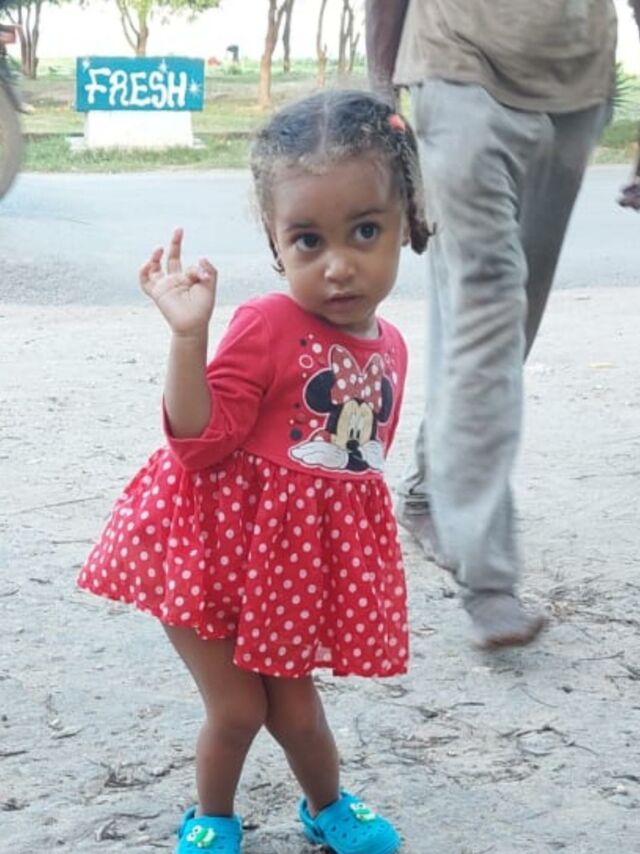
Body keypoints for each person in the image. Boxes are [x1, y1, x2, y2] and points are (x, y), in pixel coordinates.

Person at [77, 89, 429, 854]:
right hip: (207, 557)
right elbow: (198, 444)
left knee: (297, 714)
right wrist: (188, 339)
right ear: (276, 244)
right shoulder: (267, 324)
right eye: (308, 240)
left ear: (407, 220)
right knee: (238, 710)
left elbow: (350, 477)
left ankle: (326, 807)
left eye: (366, 230)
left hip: (285, 577)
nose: (339, 265)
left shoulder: (393, 348)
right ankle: (213, 817)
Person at [366, 0, 619, 648]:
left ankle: (430, 488)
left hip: (577, 81)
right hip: (458, 63)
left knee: (512, 315)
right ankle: (488, 577)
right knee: (489, 298)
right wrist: (381, 90)